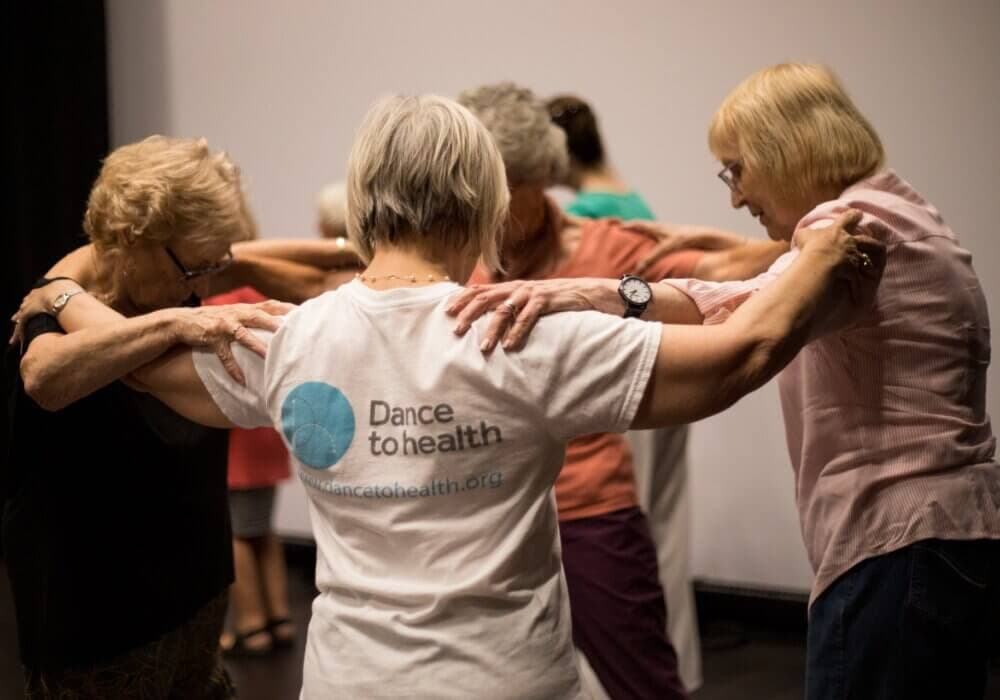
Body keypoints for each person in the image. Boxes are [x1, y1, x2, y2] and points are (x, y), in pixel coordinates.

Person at [12, 94, 881, 699]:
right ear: (483, 207)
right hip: (509, 681)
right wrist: (819, 257)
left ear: (363, 204)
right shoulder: (521, 331)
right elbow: (741, 356)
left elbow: (129, 361)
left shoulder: (288, 339)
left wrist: (60, 289)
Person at [449, 63, 1000, 700]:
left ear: (786, 153)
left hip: (897, 541)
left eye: (736, 170)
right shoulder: (898, 209)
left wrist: (585, 292)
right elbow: (753, 284)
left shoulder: (851, 231)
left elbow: (745, 317)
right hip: (934, 537)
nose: (735, 195)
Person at [459, 82, 788, 699]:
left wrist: (809, 237)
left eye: (506, 191)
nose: (491, 212)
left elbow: (738, 272)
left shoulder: (607, 244)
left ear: (541, 178)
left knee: (642, 683)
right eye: (478, 194)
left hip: (588, 506)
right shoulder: (457, 263)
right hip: (485, 512)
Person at [4, 135, 292, 699]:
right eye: (195, 269)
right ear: (137, 239)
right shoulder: (57, 308)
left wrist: (347, 248)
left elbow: (266, 261)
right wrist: (173, 325)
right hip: (103, 625)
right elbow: (43, 377)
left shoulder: (170, 280)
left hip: (195, 592)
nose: (204, 287)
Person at [548, 92, 703, 692]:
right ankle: (676, 663)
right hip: (670, 367)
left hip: (631, 379)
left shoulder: (586, 218)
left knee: (632, 528)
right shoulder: (632, 199)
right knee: (665, 524)